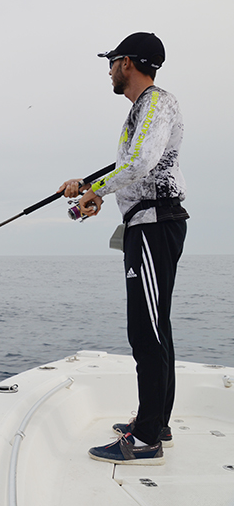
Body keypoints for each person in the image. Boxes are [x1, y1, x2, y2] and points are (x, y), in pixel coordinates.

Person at [59, 32, 189, 465]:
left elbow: (140, 164)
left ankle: (148, 436)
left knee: (147, 331)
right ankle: (157, 422)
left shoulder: (156, 103)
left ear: (128, 63)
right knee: (154, 328)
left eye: (112, 61)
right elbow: (132, 167)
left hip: (154, 224)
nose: (109, 69)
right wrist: (95, 193)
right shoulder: (143, 109)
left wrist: (92, 187)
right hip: (144, 224)